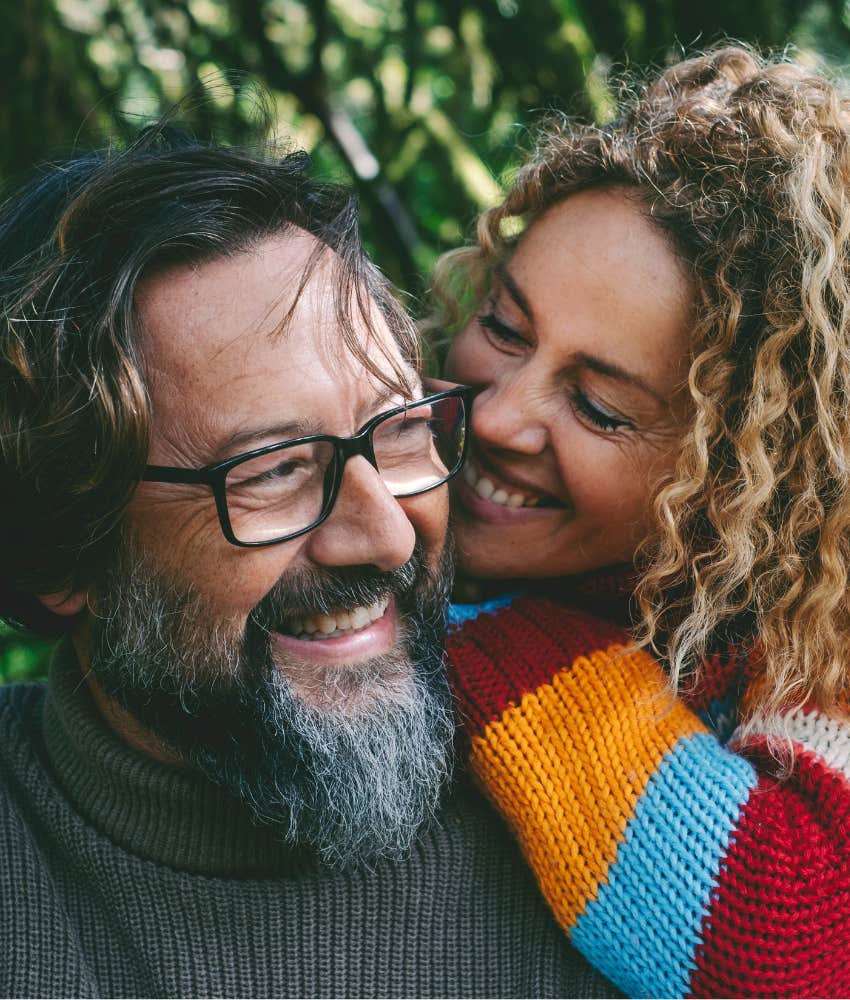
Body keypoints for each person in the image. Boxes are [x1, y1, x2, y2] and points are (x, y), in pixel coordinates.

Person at [0, 128, 617, 998]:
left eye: (400, 429)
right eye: (276, 470)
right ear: (63, 552)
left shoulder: (615, 829)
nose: (388, 537)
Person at [430, 45, 850, 998]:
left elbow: (794, 950)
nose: (495, 416)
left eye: (600, 408)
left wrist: (480, 641)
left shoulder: (811, 639)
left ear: (740, 478)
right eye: (503, 325)